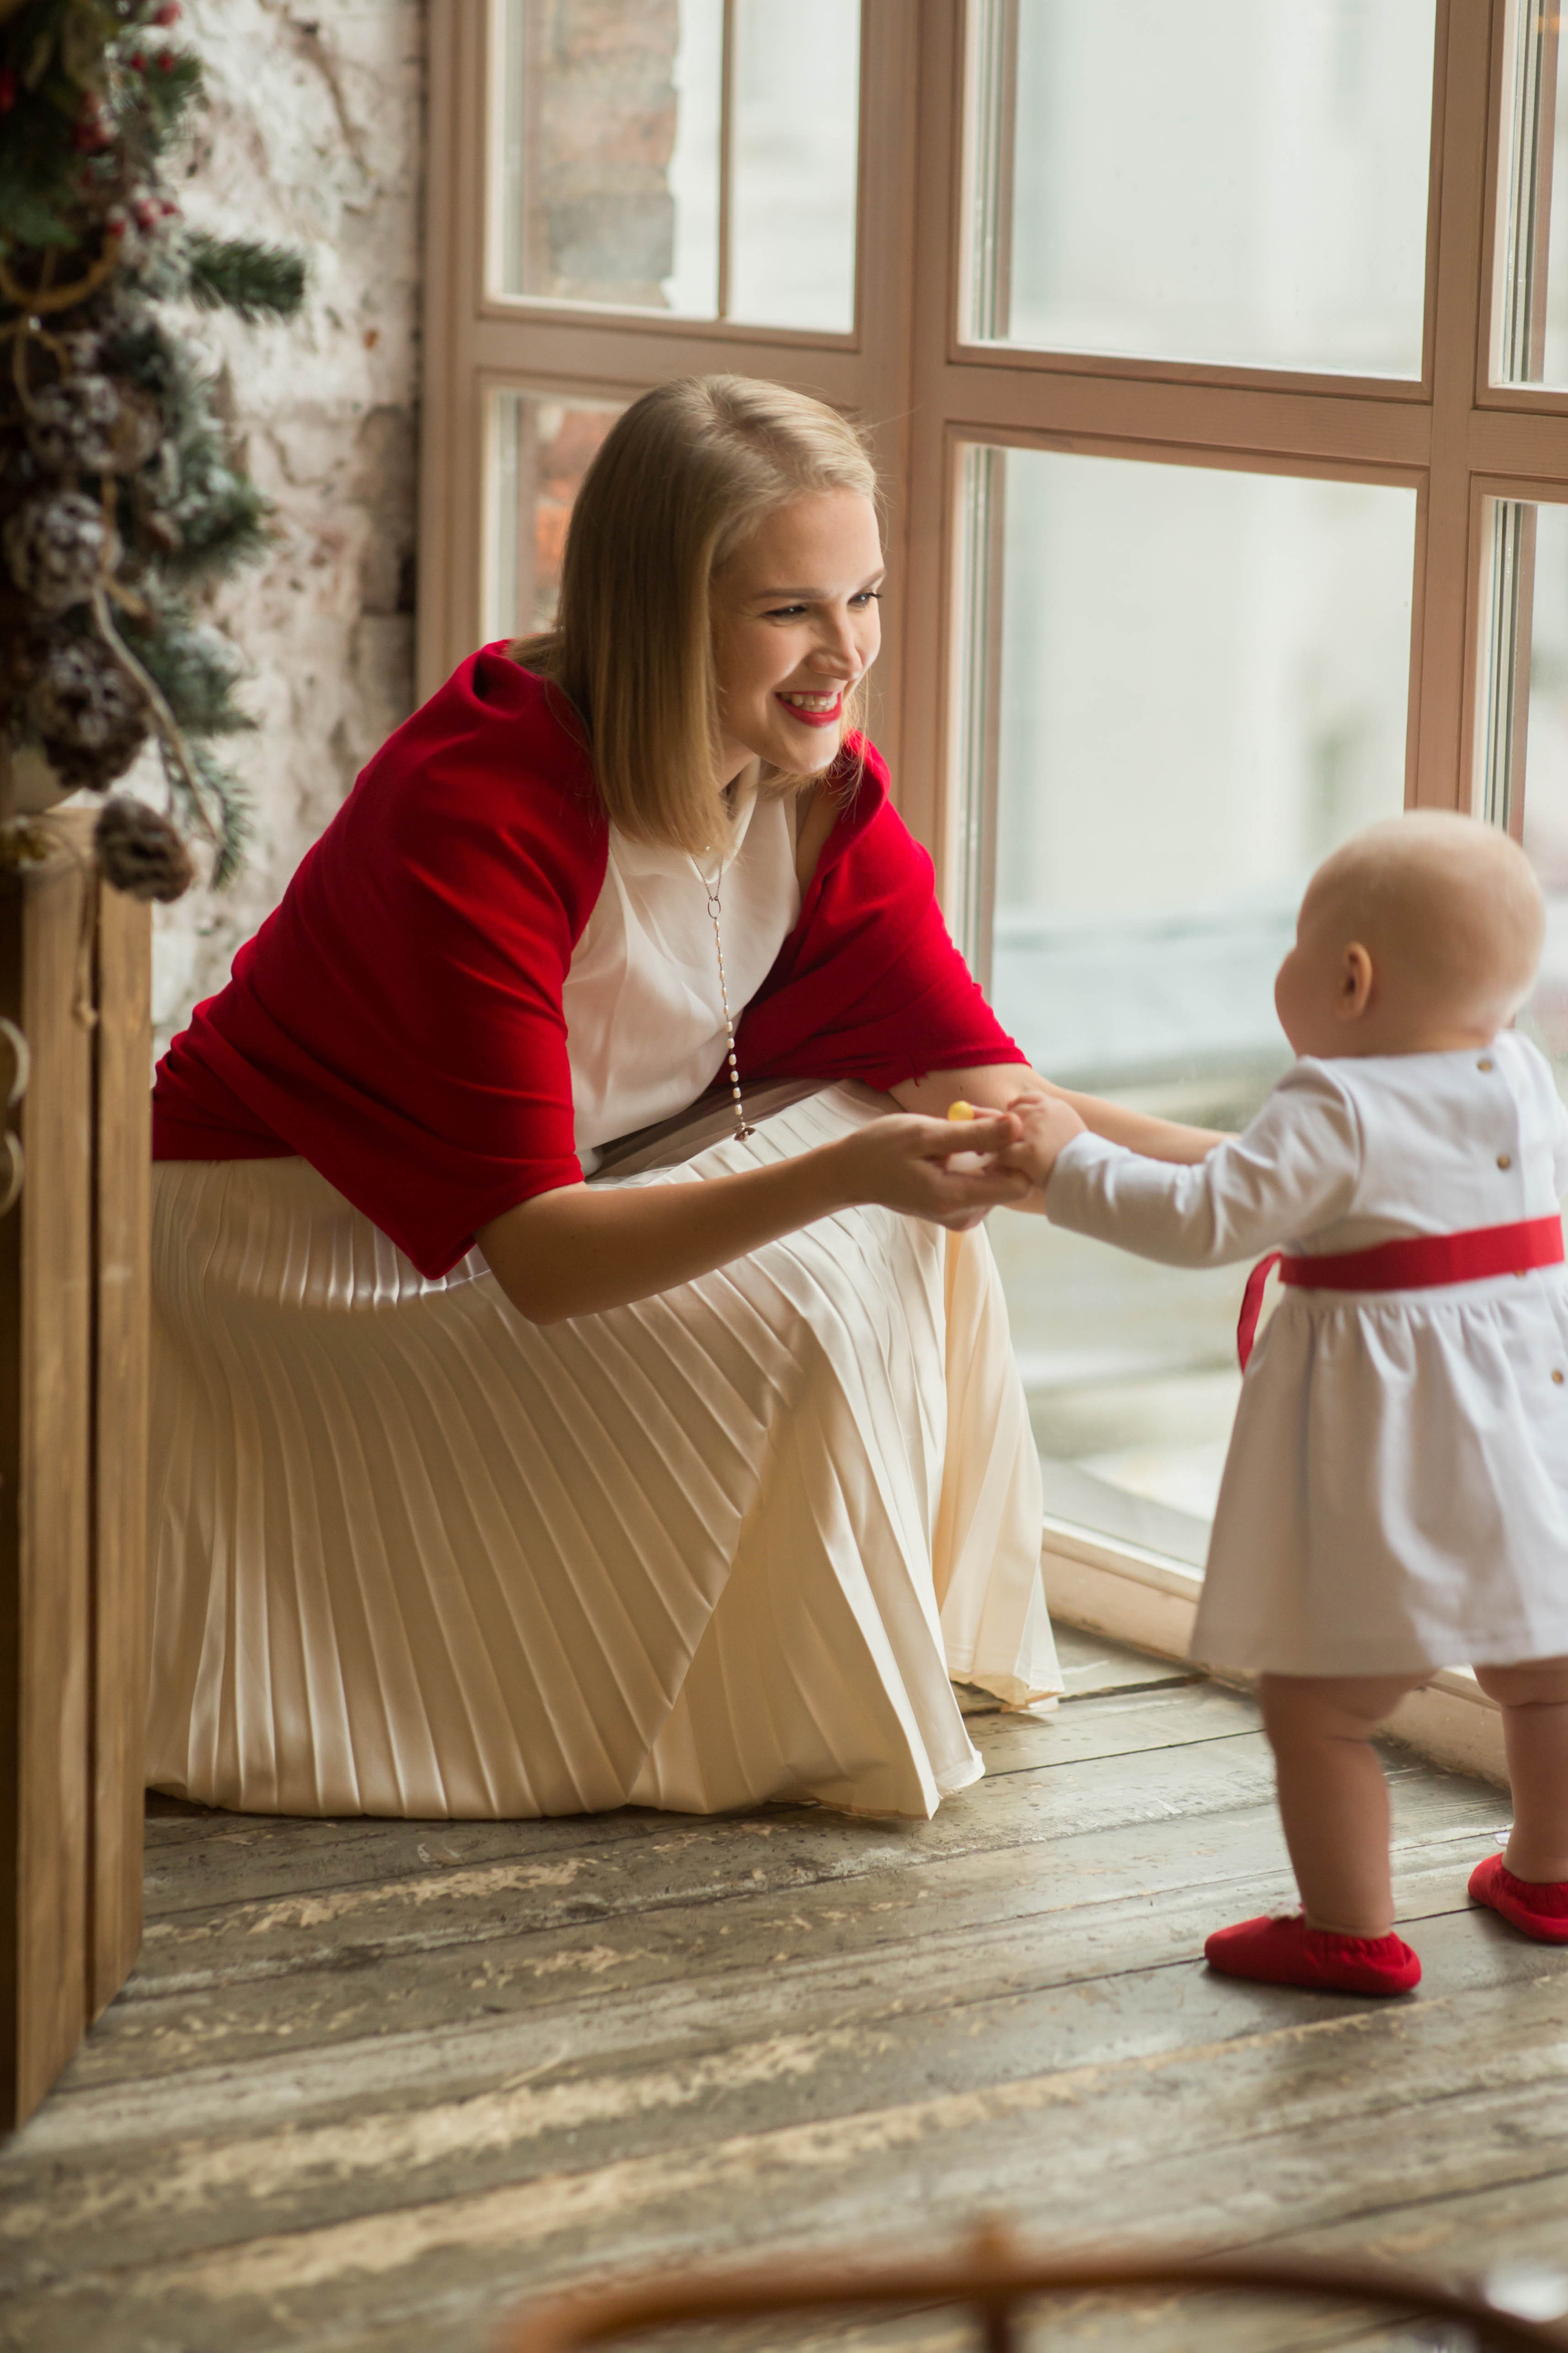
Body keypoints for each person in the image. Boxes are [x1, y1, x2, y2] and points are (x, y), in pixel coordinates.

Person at [148, 375, 1219, 1822]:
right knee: (838, 1206)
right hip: (288, 1254)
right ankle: (742, 1700)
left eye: (865, 596)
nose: (844, 653)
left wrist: (1278, 1182)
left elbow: (994, 1093)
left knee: (875, 1154)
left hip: (518, 1218)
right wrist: (846, 1178)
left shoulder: (815, 794)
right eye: (789, 611)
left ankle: (797, 1668)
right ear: (659, 614)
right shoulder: (478, 809)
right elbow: (533, 1256)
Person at [1000, 812, 1568, 1997]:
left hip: (1404, 1448)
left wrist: (1062, 1161)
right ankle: (1552, 1873)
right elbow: (1537, 1179)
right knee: (1560, 1674)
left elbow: (1205, 1218)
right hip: (1543, 1420)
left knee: (1321, 1708)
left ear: (1349, 980)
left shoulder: (1334, 1106)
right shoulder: (1518, 1074)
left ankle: (1349, 1930)